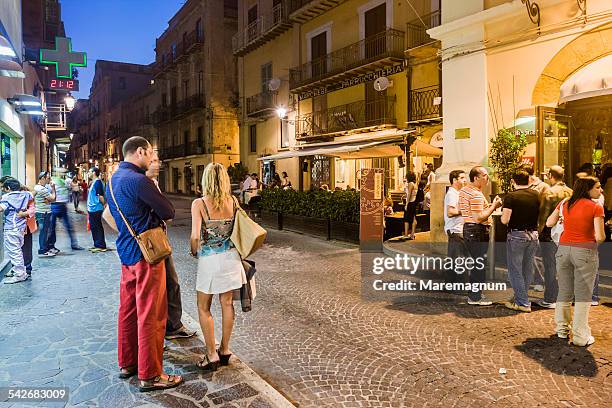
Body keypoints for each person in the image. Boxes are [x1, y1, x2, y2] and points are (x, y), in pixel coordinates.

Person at [107, 136, 182, 391]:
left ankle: (127, 363)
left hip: (126, 253)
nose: (152, 159)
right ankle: (150, 374)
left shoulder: (113, 179)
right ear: (140, 151)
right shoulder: (141, 181)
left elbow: (111, 215)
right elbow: (168, 212)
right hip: (147, 256)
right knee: (152, 314)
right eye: (151, 153)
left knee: (127, 311)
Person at [190, 163, 247, 371]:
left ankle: (211, 354)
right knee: (227, 304)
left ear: (206, 180)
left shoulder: (199, 204)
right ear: (224, 180)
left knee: (203, 307)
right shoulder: (233, 201)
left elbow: (196, 236)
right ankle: (224, 349)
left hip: (210, 260)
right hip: (231, 258)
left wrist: (193, 250)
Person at [546, 177, 605, 346]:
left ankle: (562, 330)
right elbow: (600, 236)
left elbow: (549, 222)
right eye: (598, 187)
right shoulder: (596, 207)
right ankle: (580, 337)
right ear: (587, 189)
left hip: (563, 250)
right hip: (584, 251)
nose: (600, 190)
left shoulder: (565, 203)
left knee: (564, 291)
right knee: (583, 295)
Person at [145, 152, 196, 340]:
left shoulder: (154, 184)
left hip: (160, 240)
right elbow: (167, 212)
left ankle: (172, 325)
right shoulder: (144, 184)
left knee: (171, 283)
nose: (159, 164)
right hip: (151, 243)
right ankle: (166, 327)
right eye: (154, 161)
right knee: (164, 286)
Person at [459, 166, 503, 306]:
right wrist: (494, 206)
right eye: (484, 175)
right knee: (479, 265)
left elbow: (472, 210)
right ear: (476, 178)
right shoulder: (476, 194)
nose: (487, 178)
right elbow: (478, 218)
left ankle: (474, 293)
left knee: (477, 264)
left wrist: (488, 205)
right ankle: (475, 297)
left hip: (469, 229)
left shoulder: (465, 190)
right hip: (477, 231)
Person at [500, 170, 540, 312]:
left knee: (515, 270)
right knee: (527, 269)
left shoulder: (510, 197)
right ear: (529, 180)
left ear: (513, 181)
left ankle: (523, 302)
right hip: (533, 234)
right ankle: (519, 298)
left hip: (517, 235)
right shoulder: (536, 194)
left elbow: (505, 220)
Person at [535, 165, 573, 308]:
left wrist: (538, 232)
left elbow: (543, 216)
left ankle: (551, 298)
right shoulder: (571, 192)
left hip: (549, 234)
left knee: (550, 266)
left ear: (551, 175)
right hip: (566, 232)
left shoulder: (549, 192)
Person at [0, 178, 33, 284]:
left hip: (11, 228)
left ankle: (20, 274)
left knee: (15, 251)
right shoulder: (25, 194)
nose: (3, 190)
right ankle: (20, 271)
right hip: (21, 228)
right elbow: (33, 193)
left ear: (8, 188)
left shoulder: (7, 197)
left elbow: (1, 208)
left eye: (4, 188)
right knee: (18, 250)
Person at [48, 170, 84, 252]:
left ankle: (73, 244)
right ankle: (51, 246)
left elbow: (72, 187)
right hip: (55, 205)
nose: (62, 174)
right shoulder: (53, 181)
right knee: (53, 228)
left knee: (67, 226)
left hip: (62, 205)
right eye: (61, 173)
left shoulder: (65, 181)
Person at [444, 170, 468, 285]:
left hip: (457, 229)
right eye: (462, 178)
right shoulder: (452, 193)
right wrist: (465, 210)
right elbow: (450, 212)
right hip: (455, 230)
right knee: (459, 259)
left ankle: (450, 284)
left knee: (454, 259)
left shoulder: (457, 193)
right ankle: (460, 286)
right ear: (454, 180)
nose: (465, 180)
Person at [33, 172, 56, 257]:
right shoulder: (42, 189)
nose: (49, 180)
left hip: (42, 212)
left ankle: (44, 248)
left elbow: (49, 199)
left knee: (44, 231)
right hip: (43, 213)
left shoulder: (39, 187)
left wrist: (48, 199)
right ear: (42, 178)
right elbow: (53, 198)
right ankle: (42, 250)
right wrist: (53, 189)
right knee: (43, 232)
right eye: (48, 178)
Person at [87, 168, 107, 252]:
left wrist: (104, 205)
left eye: (89, 172)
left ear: (94, 173)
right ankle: (97, 244)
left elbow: (100, 196)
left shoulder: (98, 182)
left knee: (97, 226)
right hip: (92, 208)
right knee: (94, 227)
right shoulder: (94, 182)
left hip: (96, 208)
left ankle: (100, 245)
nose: (88, 173)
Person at [403, 172, 418, 240]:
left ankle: (406, 234)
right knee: (414, 219)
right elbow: (411, 194)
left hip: (410, 203)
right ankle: (412, 234)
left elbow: (409, 195)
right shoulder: (415, 184)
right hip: (414, 202)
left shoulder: (410, 184)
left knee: (406, 219)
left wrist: (406, 204)